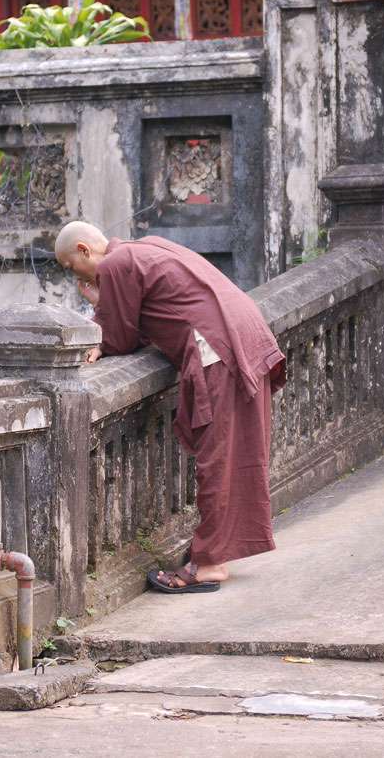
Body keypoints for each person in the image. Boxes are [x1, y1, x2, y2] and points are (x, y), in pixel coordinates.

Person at [54, 221, 286, 593]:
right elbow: (153, 316)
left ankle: (209, 563)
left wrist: (99, 306)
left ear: (84, 249)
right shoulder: (144, 247)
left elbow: (121, 337)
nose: (75, 278)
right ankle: (214, 553)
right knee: (237, 453)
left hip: (216, 347)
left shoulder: (114, 264)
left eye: (71, 267)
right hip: (244, 332)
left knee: (217, 458)